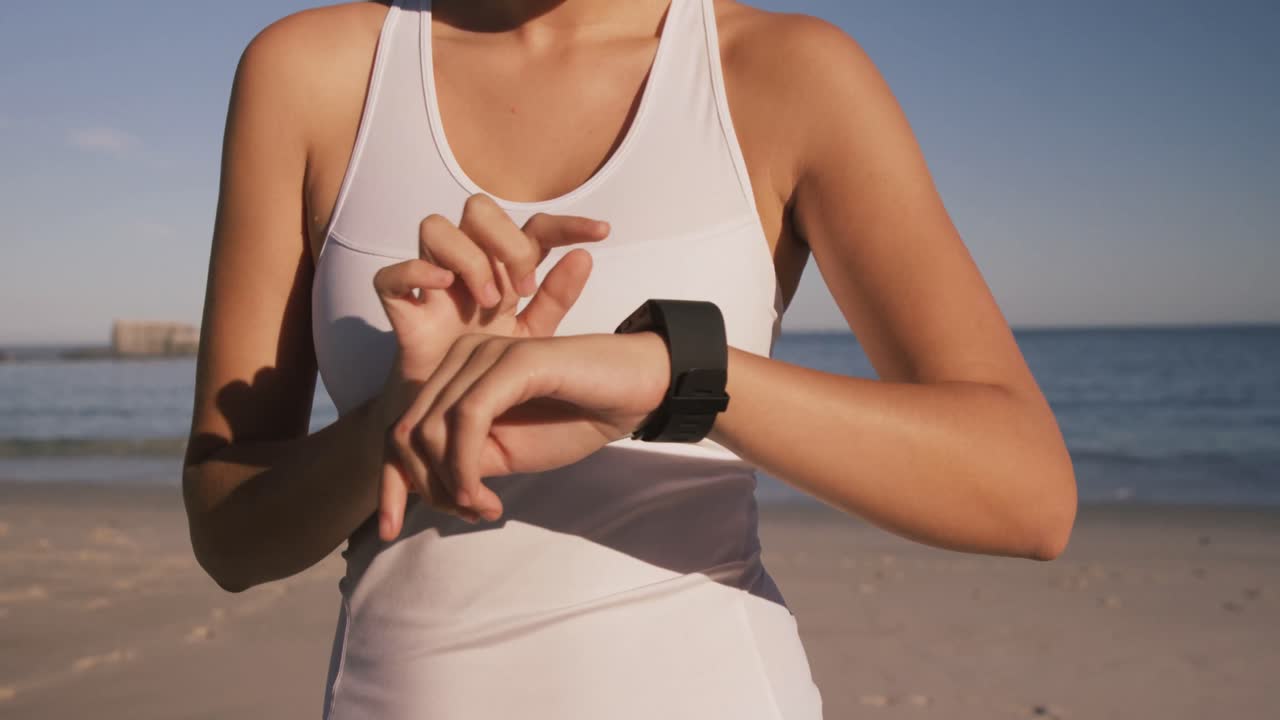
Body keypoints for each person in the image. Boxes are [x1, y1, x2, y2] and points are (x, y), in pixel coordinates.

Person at [181, 0, 1078, 717]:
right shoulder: (314, 72)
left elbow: (1027, 494)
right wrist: (400, 421)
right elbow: (229, 536)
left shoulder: (782, 72)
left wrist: (674, 373)